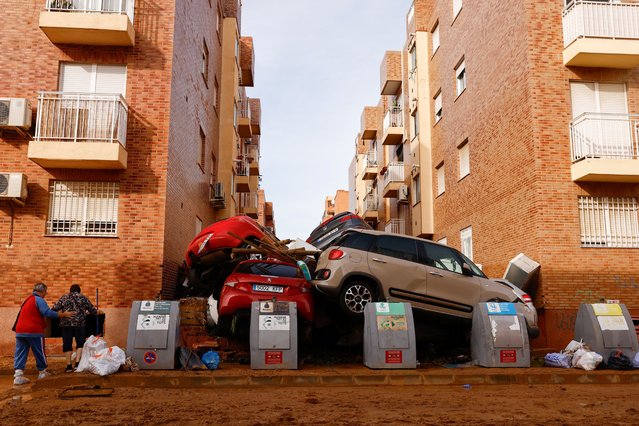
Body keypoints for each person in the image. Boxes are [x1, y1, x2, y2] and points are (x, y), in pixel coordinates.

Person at [13, 283, 75, 386]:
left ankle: (18, 376)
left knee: (20, 352)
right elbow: (47, 313)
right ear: (41, 292)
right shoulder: (39, 300)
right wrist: (64, 314)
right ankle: (42, 372)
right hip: (33, 330)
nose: (45, 294)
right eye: (45, 292)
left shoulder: (28, 300)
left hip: (20, 331)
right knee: (39, 351)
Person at [52, 284, 99, 373]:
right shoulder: (83, 298)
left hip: (66, 324)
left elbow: (55, 308)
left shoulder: (64, 297)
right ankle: (77, 364)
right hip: (80, 324)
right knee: (80, 343)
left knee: (67, 344)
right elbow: (92, 310)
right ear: (79, 290)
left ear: (70, 290)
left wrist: (63, 312)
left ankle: (69, 366)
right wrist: (97, 311)